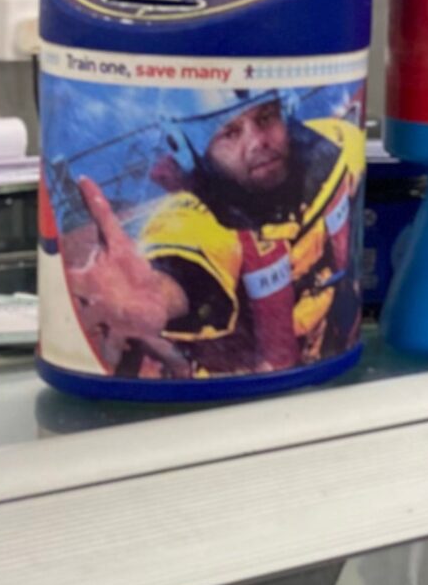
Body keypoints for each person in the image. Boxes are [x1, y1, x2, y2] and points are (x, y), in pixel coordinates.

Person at [66, 91, 363, 378]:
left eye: (266, 117)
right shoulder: (198, 218)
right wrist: (156, 295)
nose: (258, 142)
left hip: (334, 358)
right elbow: (184, 269)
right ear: (189, 149)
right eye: (230, 133)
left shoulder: (337, 144)